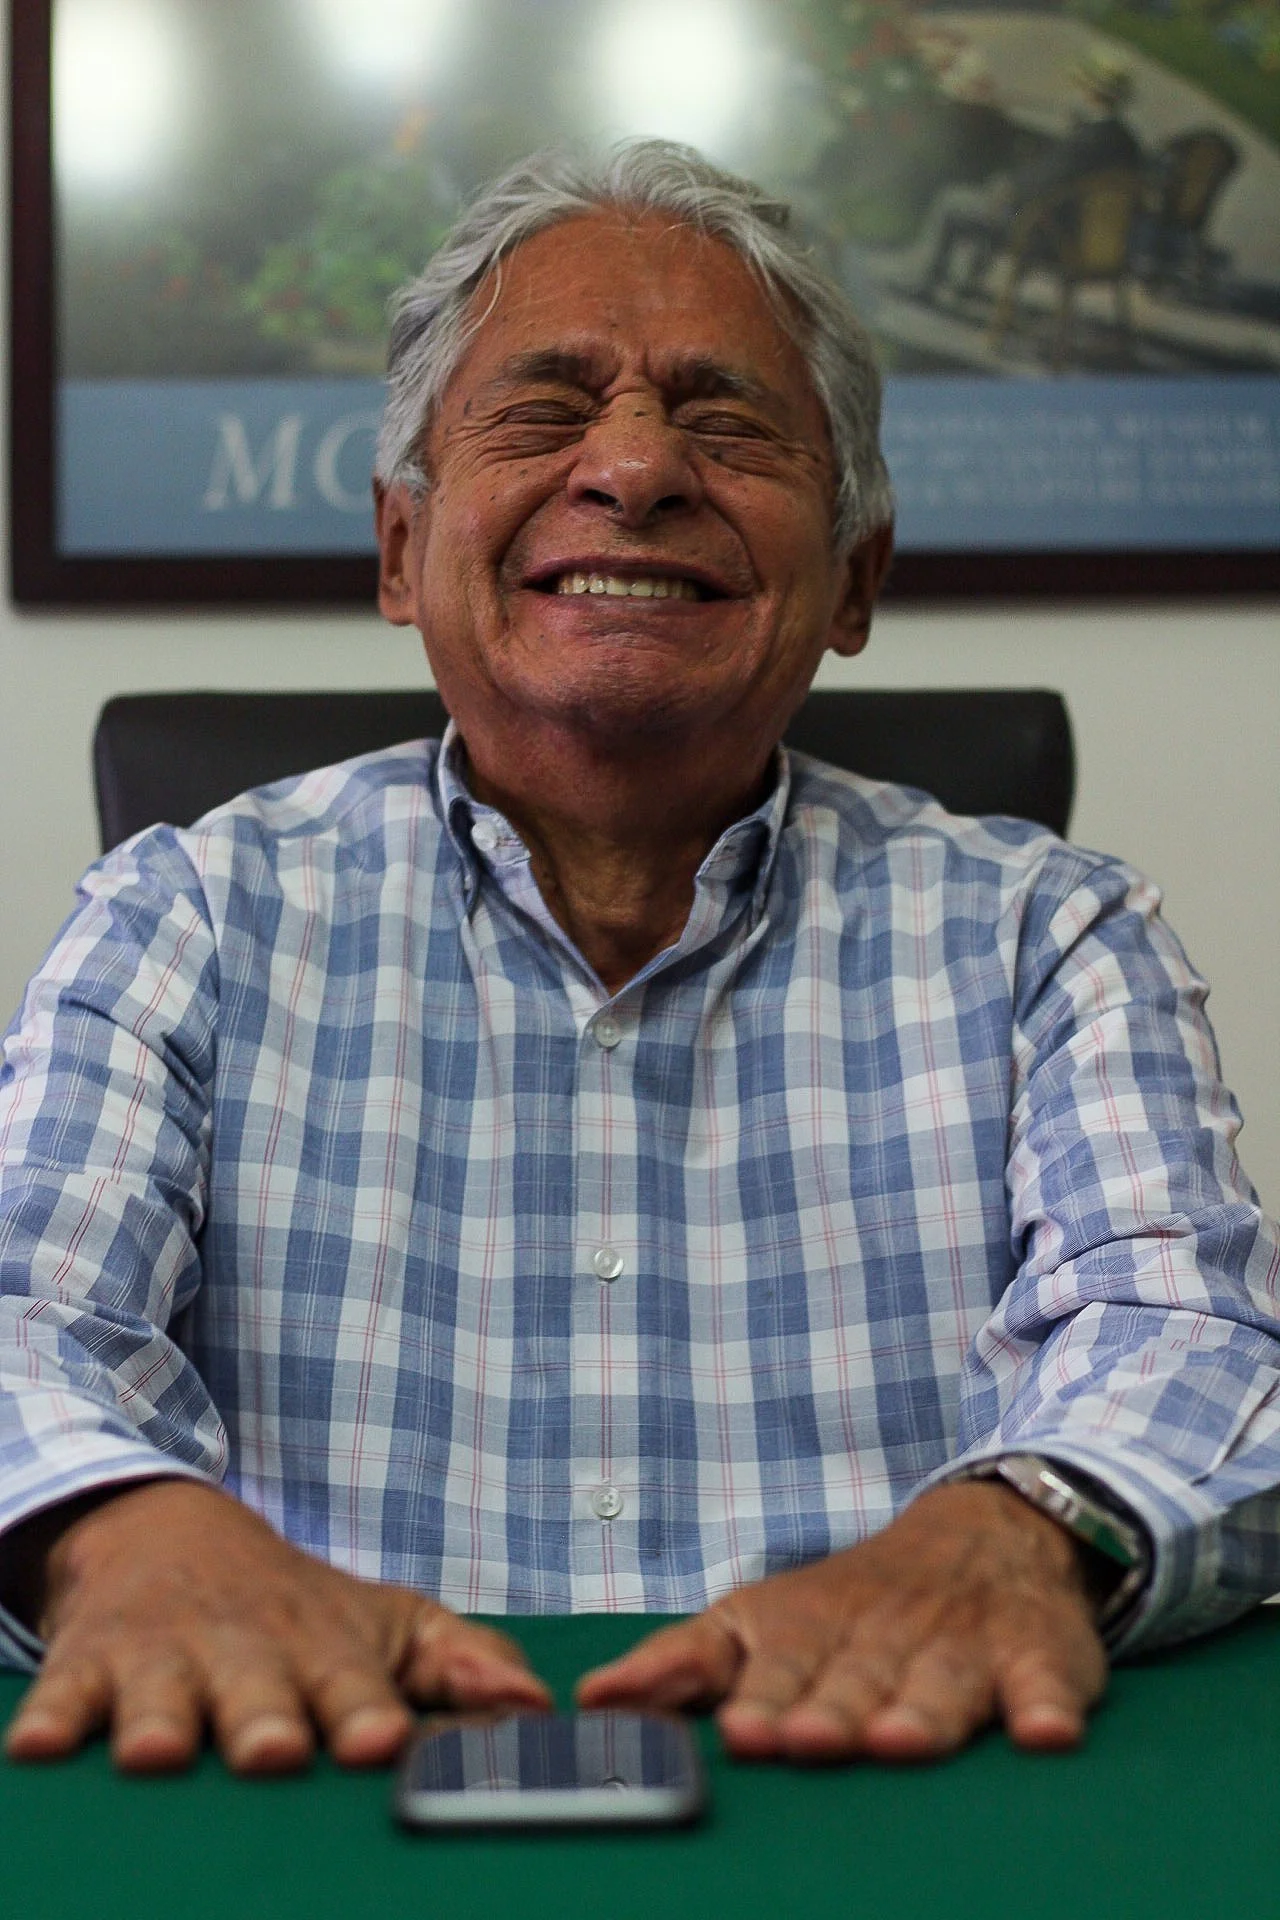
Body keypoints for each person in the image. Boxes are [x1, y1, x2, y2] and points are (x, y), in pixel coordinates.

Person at [1, 140, 1277, 1781]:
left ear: (857, 580)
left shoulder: (1050, 933)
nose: (636, 468)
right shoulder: (180, 914)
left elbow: (1198, 1345)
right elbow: (22, 1305)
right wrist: (129, 1539)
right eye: (543, 408)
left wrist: (1011, 1538)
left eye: (725, 420)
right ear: (402, 553)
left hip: (892, 1785)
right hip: (305, 1774)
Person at [907, 50, 1143, 302]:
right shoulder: (1126, 141)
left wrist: (1007, 186)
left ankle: (928, 283)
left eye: (1081, 86)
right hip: (1095, 241)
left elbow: (1044, 182)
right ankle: (969, 283)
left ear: (1092, 93)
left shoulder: (1085, 142)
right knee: (999, 199)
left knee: (952, 202)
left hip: (1053, 236)